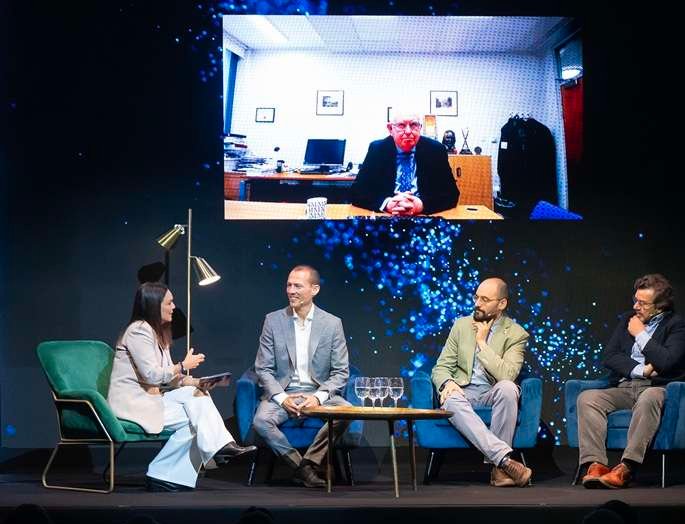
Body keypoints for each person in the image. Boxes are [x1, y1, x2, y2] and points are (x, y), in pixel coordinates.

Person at [108, 282, 255, 492]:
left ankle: (162, 476)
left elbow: (170, 378)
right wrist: (182, 365)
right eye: (169, 303)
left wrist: (198, 382)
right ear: (154, 305)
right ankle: (218, 448)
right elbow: (152, 375)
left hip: (152, 399)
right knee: (198, 417)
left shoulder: (159, 333)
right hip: (133, 403)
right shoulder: (138, 330)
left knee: (197, 407)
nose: (174, 307)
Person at [577, 274, 685, 489]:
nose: (635, 307)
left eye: (643, 303)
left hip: (657, 388)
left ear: (660, 307)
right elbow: (610, 356)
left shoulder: (679, 326)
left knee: (649, 397)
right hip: (626, 386)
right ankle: (596, 465)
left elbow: (667, 361)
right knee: (587, 398)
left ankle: (627, 467)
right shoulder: (627, 320)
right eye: (635, 300)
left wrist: (640, 334)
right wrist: (642, 370)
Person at [251, 265, 351, 488]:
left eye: (297, 286)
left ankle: (310, 462)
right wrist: (281, 398)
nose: (291, 291)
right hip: (284, 392)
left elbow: (341, 371)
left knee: (346, 412)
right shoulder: (273, 320)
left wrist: (318, 397)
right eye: (289, 285)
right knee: (261, 421)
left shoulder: (332, 324)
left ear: (314, 289)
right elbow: (263, 369)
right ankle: (302, 468)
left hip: (317, 393)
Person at [430, 277, 532, 487]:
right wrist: (447, 383)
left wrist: (481, 343)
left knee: (508, 388)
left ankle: (499, 465)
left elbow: (507, 374)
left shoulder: (516, 334)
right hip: (463, 392)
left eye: (485, 299)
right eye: (476, 297)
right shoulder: (461, 325)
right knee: (450, 401)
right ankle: (503, 463)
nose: (477, 303)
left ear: (501, 304)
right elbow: (440, 367)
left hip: (490, 393)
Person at [349, 110, 460, 215]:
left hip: (422, 216)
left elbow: (452, 194)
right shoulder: (377, 149)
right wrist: (387, 204)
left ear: (420, 128)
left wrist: (422, 205)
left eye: (413, 125)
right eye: (401, 125)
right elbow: (356, 192)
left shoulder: (435, 150)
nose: (408, 131)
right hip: (388, 216)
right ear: (390, 129)